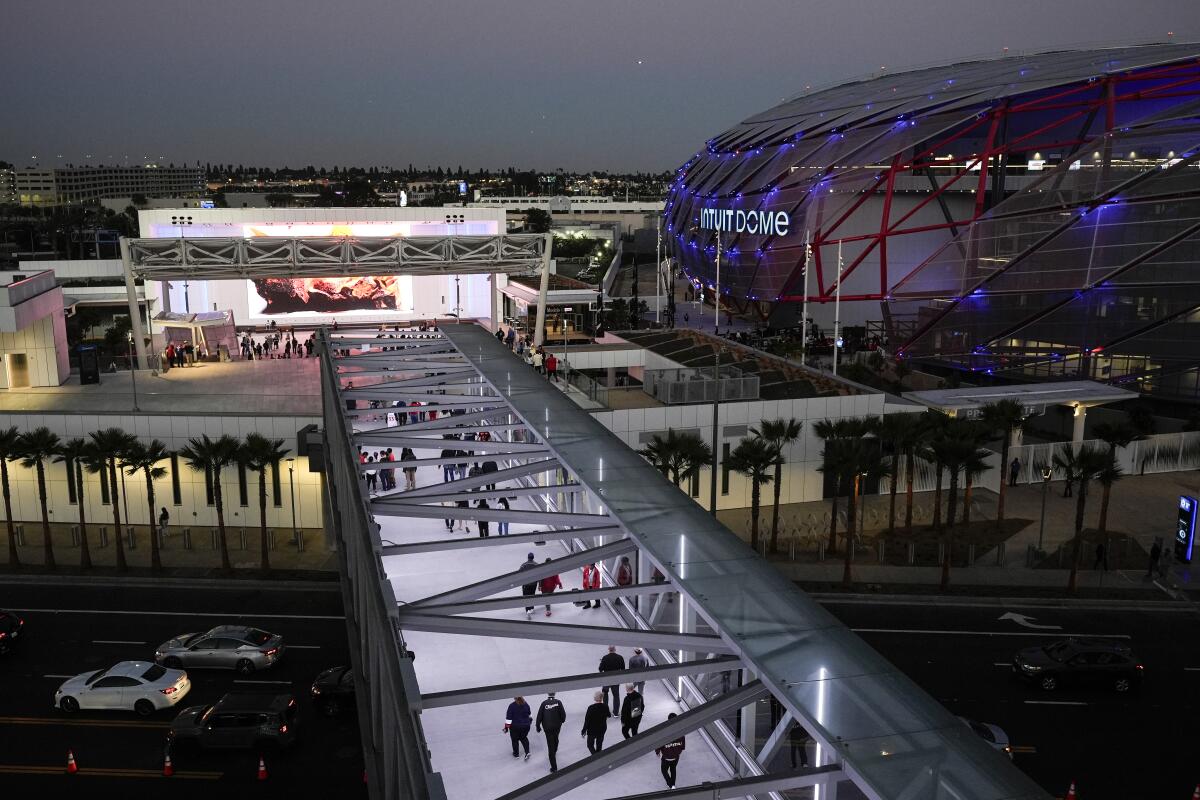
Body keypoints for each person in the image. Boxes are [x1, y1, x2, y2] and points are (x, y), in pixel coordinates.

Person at [535, 693, 566, 773]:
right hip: (557, 727)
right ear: (554, 694)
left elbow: (539, 716)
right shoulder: (558, 702)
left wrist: (538, 726)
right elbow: (563, 714)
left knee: (550, 745)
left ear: (548, 694)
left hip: (547, 728)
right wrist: (561, 721)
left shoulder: (544, 703)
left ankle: (554, 767)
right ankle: (554, 750)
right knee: (556, 738)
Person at [655, 714, 685, 789]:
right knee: (673, 769)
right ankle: (673, 785)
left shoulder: (664, 733)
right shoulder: (681, 732)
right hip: (676, 757)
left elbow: (658, 743)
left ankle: (670, 784)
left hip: (666, 757)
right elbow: (682, 747)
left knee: (664, 771)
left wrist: (657, 751)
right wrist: (677, 752)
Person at [503, 696, 532, 760]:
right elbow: (529, 715)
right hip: (526, 726)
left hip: (515, 727)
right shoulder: (526, 704)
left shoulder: (512, 706)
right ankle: (527, 752)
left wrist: (506, 728)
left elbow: (509, 718)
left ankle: (516, 754)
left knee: (515, 740)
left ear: (514, 698)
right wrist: (529, 722)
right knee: (524, 738)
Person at [599, 645, 625, 716]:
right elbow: (623, 669)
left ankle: (606, 712)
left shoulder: (604, 658)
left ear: (608, 649)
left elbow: (600, 669)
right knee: (616, 696)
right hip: (616, 679)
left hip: (606, 679)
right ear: (615, 649)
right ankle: (616, 713)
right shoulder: (620, 657)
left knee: (605, 694)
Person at [519, 553, 539, 620]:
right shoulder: (536, 565)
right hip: (534, 584)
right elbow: (540, 574)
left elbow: (519, 573)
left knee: (526, 597)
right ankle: (531, 608)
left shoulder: (523, 565)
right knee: (532, 595)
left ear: (528, 557)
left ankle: (528, 611)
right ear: (533, 557)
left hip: (526, 584)